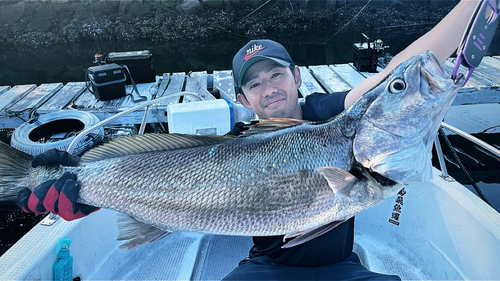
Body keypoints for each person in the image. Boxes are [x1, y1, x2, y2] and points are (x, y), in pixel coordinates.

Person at [18, 0, 479, 279]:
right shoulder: (239, 141)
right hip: (267, 269)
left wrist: (470, 8)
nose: (269, 88)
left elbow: (392, 76)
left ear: (296, 77)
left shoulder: (333, 119)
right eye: (255, 85)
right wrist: (82, 188)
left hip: (344, 269)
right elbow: (170, 174)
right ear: (242, 97)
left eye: (276, 74)